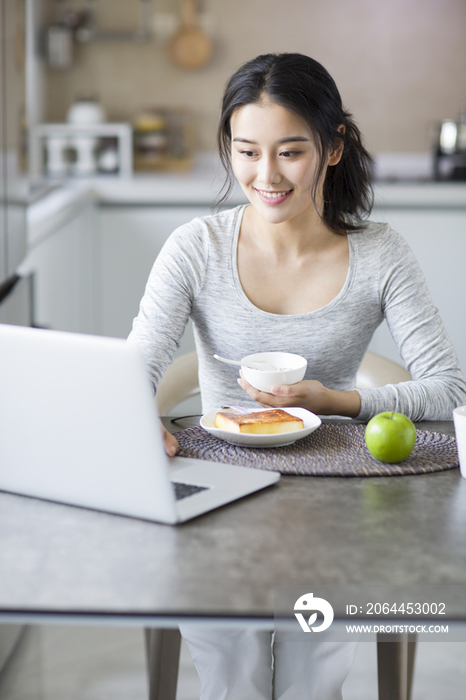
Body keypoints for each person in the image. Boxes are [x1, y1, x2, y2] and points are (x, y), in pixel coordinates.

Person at [128, 53, 466, 699]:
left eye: (290, 152)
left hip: (334, 501)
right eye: (247, 151)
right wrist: (138, 416)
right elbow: (136, 369)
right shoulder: (195, 247)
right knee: (234, 679)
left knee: (314, 683)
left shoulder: (380, 252)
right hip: (216, 497)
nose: (266, 175)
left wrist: (339, 399)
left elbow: (449, 387)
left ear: (333, 148)